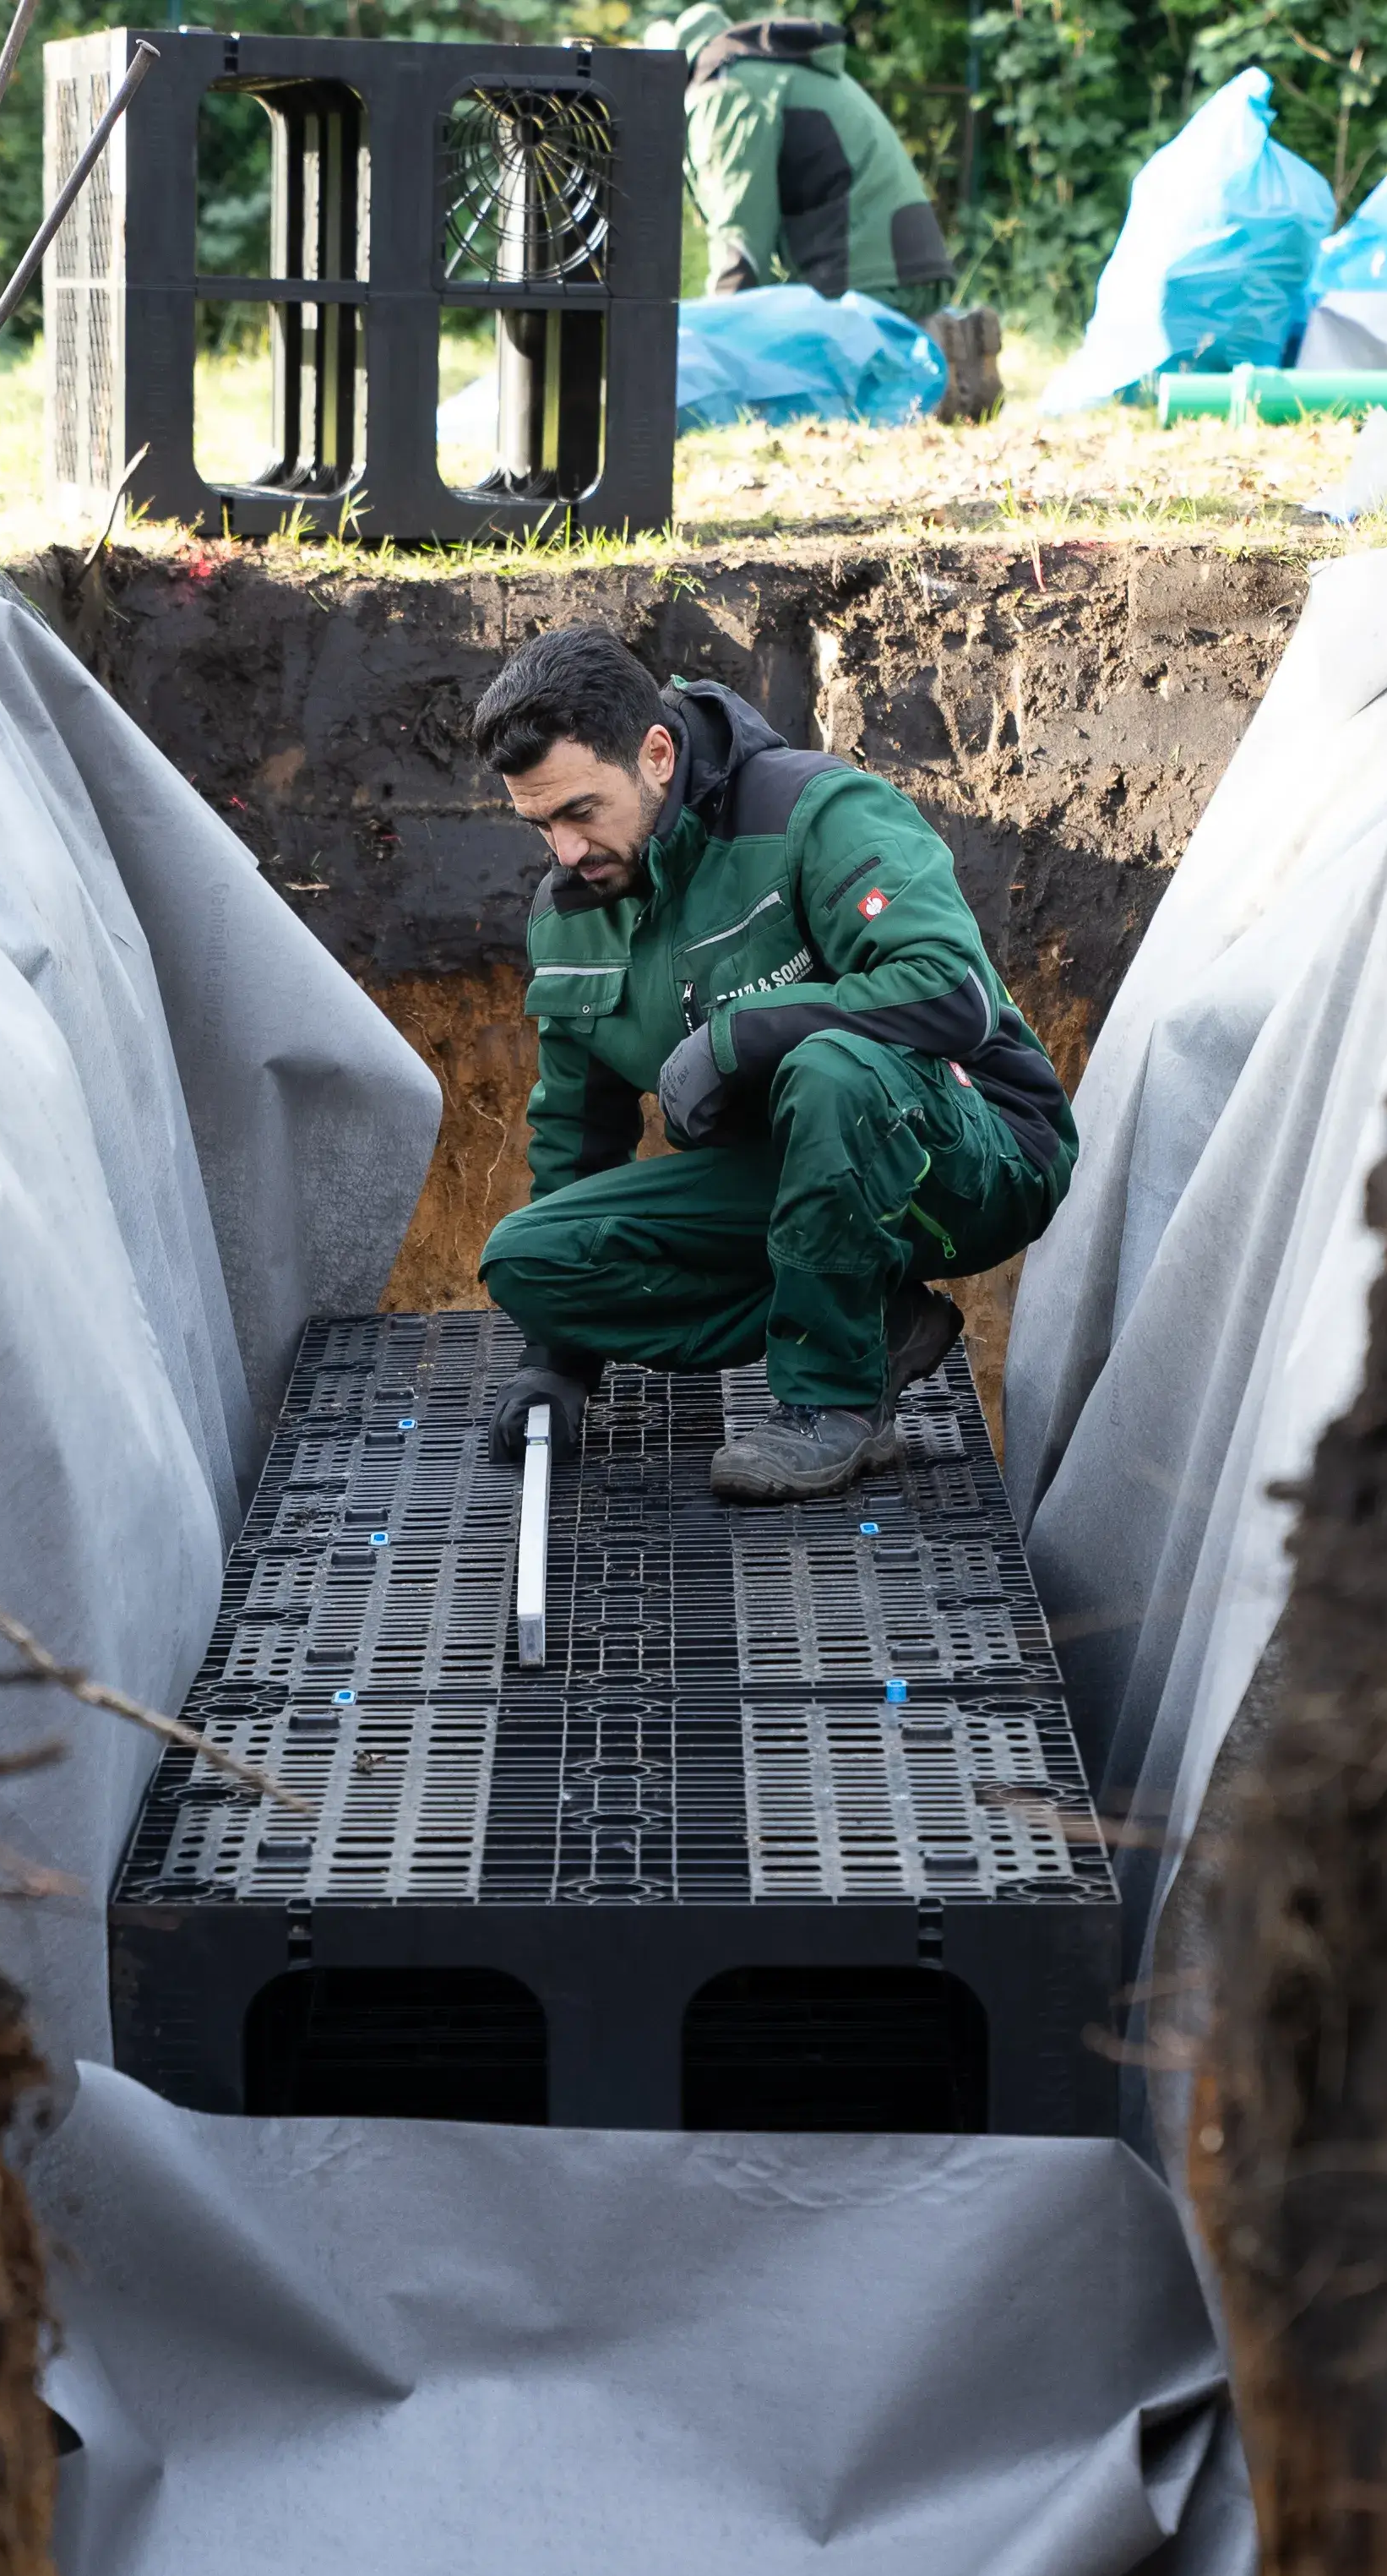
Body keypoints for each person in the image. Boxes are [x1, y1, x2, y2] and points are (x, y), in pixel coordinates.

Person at [473, 623, 1074, 1502]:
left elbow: (952, 994)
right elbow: (577, 1132)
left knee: (831, 1067)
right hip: (799, 1184)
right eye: (539, 824)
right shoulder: (571, 915)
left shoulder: (814, 814)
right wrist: (557, 1362)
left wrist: (743, 1035)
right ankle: (879, 1318)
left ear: (655, 754)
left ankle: (834, 1403)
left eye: (580, 811)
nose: (564, 850)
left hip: (974, 1149)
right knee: (527, 1260)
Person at [650, 4, 1002, 421]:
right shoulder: (766, 68)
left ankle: (919, 367)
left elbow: (741, 238)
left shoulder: (724, 90)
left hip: (866, 274)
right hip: (904, 266)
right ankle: (932, 342)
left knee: (767, 373)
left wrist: (717, 342)